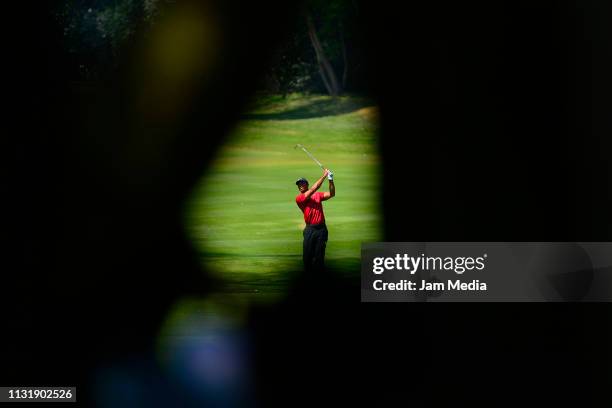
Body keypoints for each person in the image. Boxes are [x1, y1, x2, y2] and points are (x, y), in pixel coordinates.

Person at [295, 168, 335, 273]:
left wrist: (330, 180)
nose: (300, 186)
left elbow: (331, 194)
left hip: (321, 230)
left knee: (319, 258)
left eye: (302, 183)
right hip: (310, 230)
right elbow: (314, 189)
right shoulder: (299, 198)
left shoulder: (317, 195)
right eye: (299, 185)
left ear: (306, 185)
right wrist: (324, 175)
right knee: (307, 258)